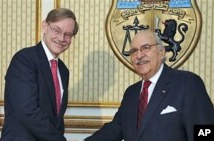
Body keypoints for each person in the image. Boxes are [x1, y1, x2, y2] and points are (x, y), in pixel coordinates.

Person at [85, 30, 214, 141]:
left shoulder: (188, 84)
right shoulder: (131, 93)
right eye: (134, 51)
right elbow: (115, 129)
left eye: (146, 48)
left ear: (161, 52)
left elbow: (204, 132)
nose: (139, 55)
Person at [0, 8, 79, 141]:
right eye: (57, 30)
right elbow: (27, 111)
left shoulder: (63, 70)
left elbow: (56, 119)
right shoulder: (24, 59)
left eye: (68, 34)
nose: (61, 38)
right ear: (45, 26)